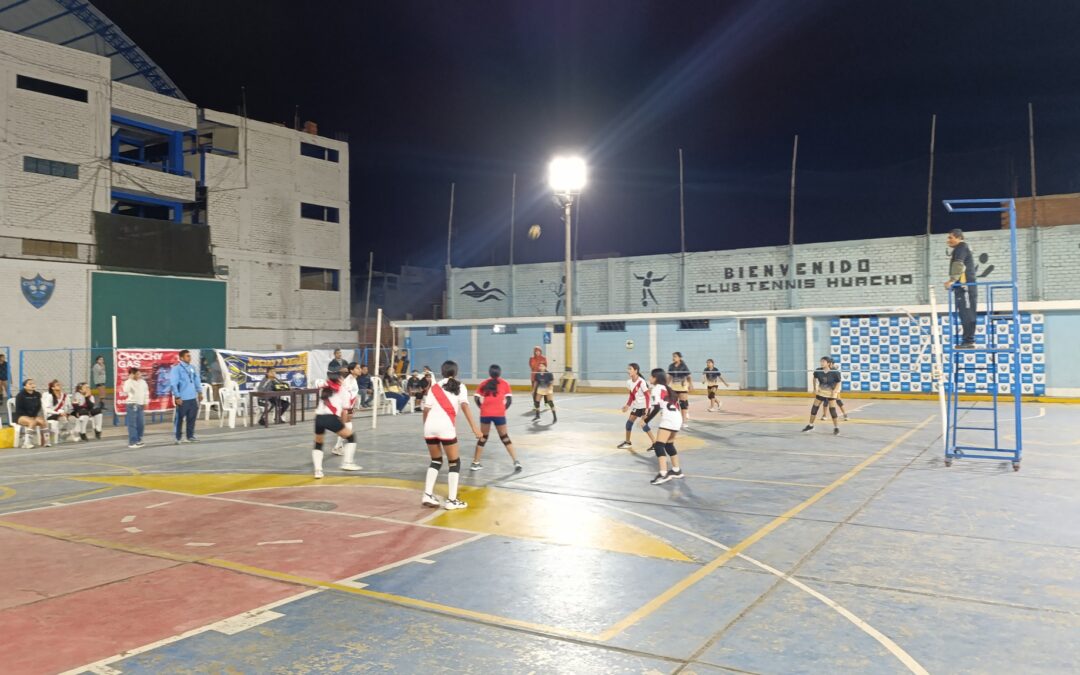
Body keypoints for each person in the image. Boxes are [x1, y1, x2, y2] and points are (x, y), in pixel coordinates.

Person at [421, 360, 481, 510]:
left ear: (442, 372)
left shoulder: (434, 387)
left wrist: (426, 428)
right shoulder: (461, 386)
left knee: (435, 460)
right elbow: (465, 407)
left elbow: (426, 410)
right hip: (446, 426)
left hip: (429, 426)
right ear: (456, 372)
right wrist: (475, 428)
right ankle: (452, 501)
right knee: (454, 462)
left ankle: (427, 494)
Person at [470, 364, 520, 472]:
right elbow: (509, 401)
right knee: (505, 437)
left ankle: (475, 463)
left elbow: (476, 398)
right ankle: (516, 462)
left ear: (489, 373)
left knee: (483, 438)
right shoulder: (504, 383)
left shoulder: (484, 383)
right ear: (499, 373)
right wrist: (502, 409)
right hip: (499, 414)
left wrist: (481, 407)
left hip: (485, 414)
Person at [311, 373, 361, 478]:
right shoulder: (344, 390)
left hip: (318, 418)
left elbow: (316, 382)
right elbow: (344, 412)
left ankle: (318, 471)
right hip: (331, 418)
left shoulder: (325, 387)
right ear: (339, 380)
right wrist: (343, 426)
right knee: (351, 437)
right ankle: (347, 463)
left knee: (318, 443)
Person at [644, 368, 685, 485]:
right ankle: (677, 470)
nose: (649, 378)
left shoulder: (656, 389)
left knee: (658, 445)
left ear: (656, 378)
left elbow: (656, 408)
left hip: (669, 419)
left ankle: (663, 474)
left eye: (651, 376)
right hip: (677, 418)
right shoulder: (669, 389)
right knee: (669, 444)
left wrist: (645, 420)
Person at [945, 228, 978, 349]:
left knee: (967, 313)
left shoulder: (961, 247)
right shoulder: (962, 248)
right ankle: (968, 340)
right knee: (964, 314)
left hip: (965, 287)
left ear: (959, 237)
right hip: (963, 287)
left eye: (950, 237)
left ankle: (969, 341)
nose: (948, 240)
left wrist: (951, 281)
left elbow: (958, 264)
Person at [618, 363, 656, 449]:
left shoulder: (641, 381)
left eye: (630, 369)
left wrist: (647, 408)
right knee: (629, 424)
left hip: (645, 406)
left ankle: (655, 443)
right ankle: (628, 442)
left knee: (643, 425)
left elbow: (647, 395)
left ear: (636, 371)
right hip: (637, 406)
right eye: (628, 369)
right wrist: (627, 405)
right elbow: (632, 395)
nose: (628, 371)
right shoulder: (628, 382)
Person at [170, 349, 202, 444]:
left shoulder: (192, 367)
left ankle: (190, 436)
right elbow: (173, 384)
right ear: (181, 358)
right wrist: (177, 397)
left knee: (192, 418)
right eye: (187, 356)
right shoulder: (176, 369)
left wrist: (199, 392)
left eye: (190, 356)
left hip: (192, 398)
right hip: (182, 399)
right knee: (179, 419)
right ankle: (178, 437)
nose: (190, 357)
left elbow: (196, 380)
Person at [803, 356, 842, 435]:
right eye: (821, 361)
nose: (821, 363)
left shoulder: (835, 372)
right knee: (814, 408)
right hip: (821, 391)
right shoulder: (818, 371)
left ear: (828, 363)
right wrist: (814, 388)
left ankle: (836, 427)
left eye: (823, 362)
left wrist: (835, 390)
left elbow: (838, 382)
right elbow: (814, 378)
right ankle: (811, 425)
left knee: (832, 410)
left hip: (831, 392)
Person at [13, 379, 47, 448]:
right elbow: (19, 409)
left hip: (32, 415)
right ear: (25, 386)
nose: (32, 385)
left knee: (42, 421)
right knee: (32, 422)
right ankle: (26, 443)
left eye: (33, 384)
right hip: (20, 416)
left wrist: (34, 415)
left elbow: (38, 406)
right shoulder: (20, 395)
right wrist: (29, 417)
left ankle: (45, 441)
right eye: (30, 384)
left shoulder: (37, 394)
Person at [122, 367, 149, 448]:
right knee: (132, 424)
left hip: (140, 405)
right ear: (132, 375)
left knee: (141, 424)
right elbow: (125, 390)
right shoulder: (128, 382)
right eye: (136, 374)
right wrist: (129, 380)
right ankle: (132, 442)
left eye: (139, 373)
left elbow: (146, 392)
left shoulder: (143, 382)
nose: (139, 375)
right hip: (132, 404)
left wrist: (145, 402)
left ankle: (139, 439)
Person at [42, 379, 73, 446]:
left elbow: (70, 407)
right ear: (53, 388)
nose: (60, 386)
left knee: (72, 419)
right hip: (52, 415)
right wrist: (58, 413)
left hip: (63, 414)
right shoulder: (50, 396)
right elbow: (47, 409)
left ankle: (63, 435)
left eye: (60, 384)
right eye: (57, 385)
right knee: (62, 418)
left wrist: (68, 413)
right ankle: (58, 436)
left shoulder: (65, 396)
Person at [667, 352, 693, 430]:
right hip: (674, 387)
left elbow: (688, 376)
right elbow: (669, 377)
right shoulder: (671, 366)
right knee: (673, 405)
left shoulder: (683, 366)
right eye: (673, 356)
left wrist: (691, 384)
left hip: (682, 387)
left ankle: (684, 422)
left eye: (675, 356)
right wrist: (665, 386)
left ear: (679, 358)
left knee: (683, 404)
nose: (673, 358)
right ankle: (676, 420)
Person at [528, 346, 547, 417]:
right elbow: (531, 366)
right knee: (534, 392)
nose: (537, 352)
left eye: (539, 351)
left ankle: (546, 402)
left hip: (541, 377)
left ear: (541, 351)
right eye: (536, 351)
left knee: (544, 391)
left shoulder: (544, 358)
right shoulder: (531, 359)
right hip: (533, 377)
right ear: (534, 352)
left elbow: (545, 367)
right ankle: (535, 404)